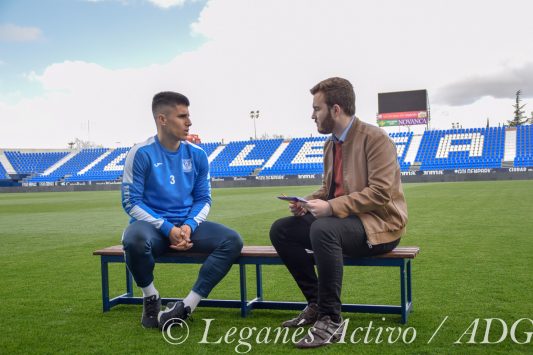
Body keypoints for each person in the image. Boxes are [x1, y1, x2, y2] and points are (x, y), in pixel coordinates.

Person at [270, 77, 408, 349]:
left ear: (335, 109)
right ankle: (316, 304)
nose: (312, 115)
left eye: (316, 109)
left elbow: (381, 193)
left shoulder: (377, 139)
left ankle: (330, 319)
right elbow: (329, 188)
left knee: (322, 228)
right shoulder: (330, 144)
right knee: (281, 230)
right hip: (345, 223)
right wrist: (307, 202)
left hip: (381, 226)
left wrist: (331, 207)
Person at [121, 91, 243, 330]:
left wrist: (187, 226)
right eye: (182, 116)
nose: (189, 122)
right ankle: (151, 297)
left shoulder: (197, 155)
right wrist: (167, 228)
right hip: (153, 229)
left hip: (187, 227)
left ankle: (186, 306)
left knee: (232, 240)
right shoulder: (141, 153)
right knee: (133, 239)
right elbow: (131, 202)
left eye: (189, 116)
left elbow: (203, 199)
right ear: (162, 119)